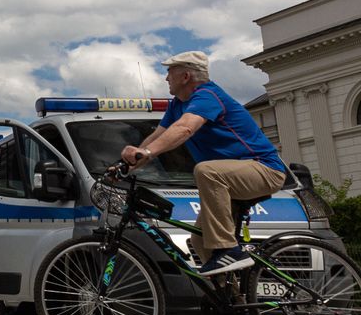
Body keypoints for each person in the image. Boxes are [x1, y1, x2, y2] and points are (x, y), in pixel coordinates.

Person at [121, 51, 287, 276]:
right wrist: (126, 166)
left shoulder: (207, 96)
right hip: (232, 178)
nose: (166, 78)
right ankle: (232, 302)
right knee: (200, 241)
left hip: (264, 169)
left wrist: (146, 151)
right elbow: (158, 137)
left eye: (169, 72)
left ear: (186, 76)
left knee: (206, 171)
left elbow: (184, 129)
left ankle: (229, 250)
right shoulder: (177, 105)